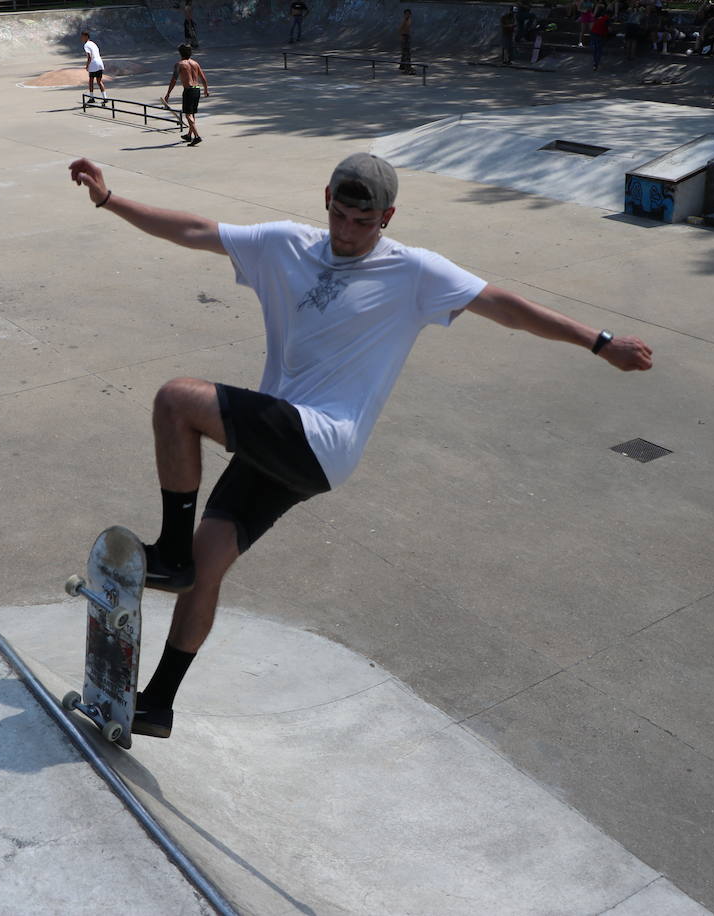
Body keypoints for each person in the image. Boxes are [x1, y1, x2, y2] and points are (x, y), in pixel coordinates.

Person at [66, 152, 654, 737]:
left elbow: (505, 307)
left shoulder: (415, 273)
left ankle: (167, 552)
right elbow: (194, 230)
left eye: (364, 223)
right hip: (286, 448)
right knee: (207, 566)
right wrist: (110, 200)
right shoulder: (283, 244)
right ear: (326, 199)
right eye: (341, 216)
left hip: (323, 439)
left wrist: (598, 342)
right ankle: (157, 704)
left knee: (177, 400)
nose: (348, 233)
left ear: (388, 217)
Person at [163, 43, 211, 146]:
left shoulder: (179, 64)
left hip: (188, 91)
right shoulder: (195, 63)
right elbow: (203, 78)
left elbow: (174, 80)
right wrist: (206, 90)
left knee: (188, 114)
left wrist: (168, 94)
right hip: (197, 89)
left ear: (180, 53)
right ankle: (189, 135)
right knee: (192, 113)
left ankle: (197, 136)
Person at [81, 31, 107, 103]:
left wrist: (87, 65)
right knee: (99, 81)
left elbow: (89, 56)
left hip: (94, 64)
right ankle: (105, 97)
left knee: (91, 81)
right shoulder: (93, 43)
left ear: (86, 36)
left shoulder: (86, 45)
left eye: (82, 36)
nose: (81, 38)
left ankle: (91, 98)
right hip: (100, 63)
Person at [400, 8, 415, 72]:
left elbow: (406, 27)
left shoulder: (408, 20)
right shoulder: (405, 20)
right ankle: (406, 67)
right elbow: (400, 28)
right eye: (406, 14)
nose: (407, 15)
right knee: (406, 52)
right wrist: (401, 36)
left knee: (405, 52)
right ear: (404, 14)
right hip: (404, 36)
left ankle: (403, 66)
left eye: (408, 14)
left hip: (407, 36)